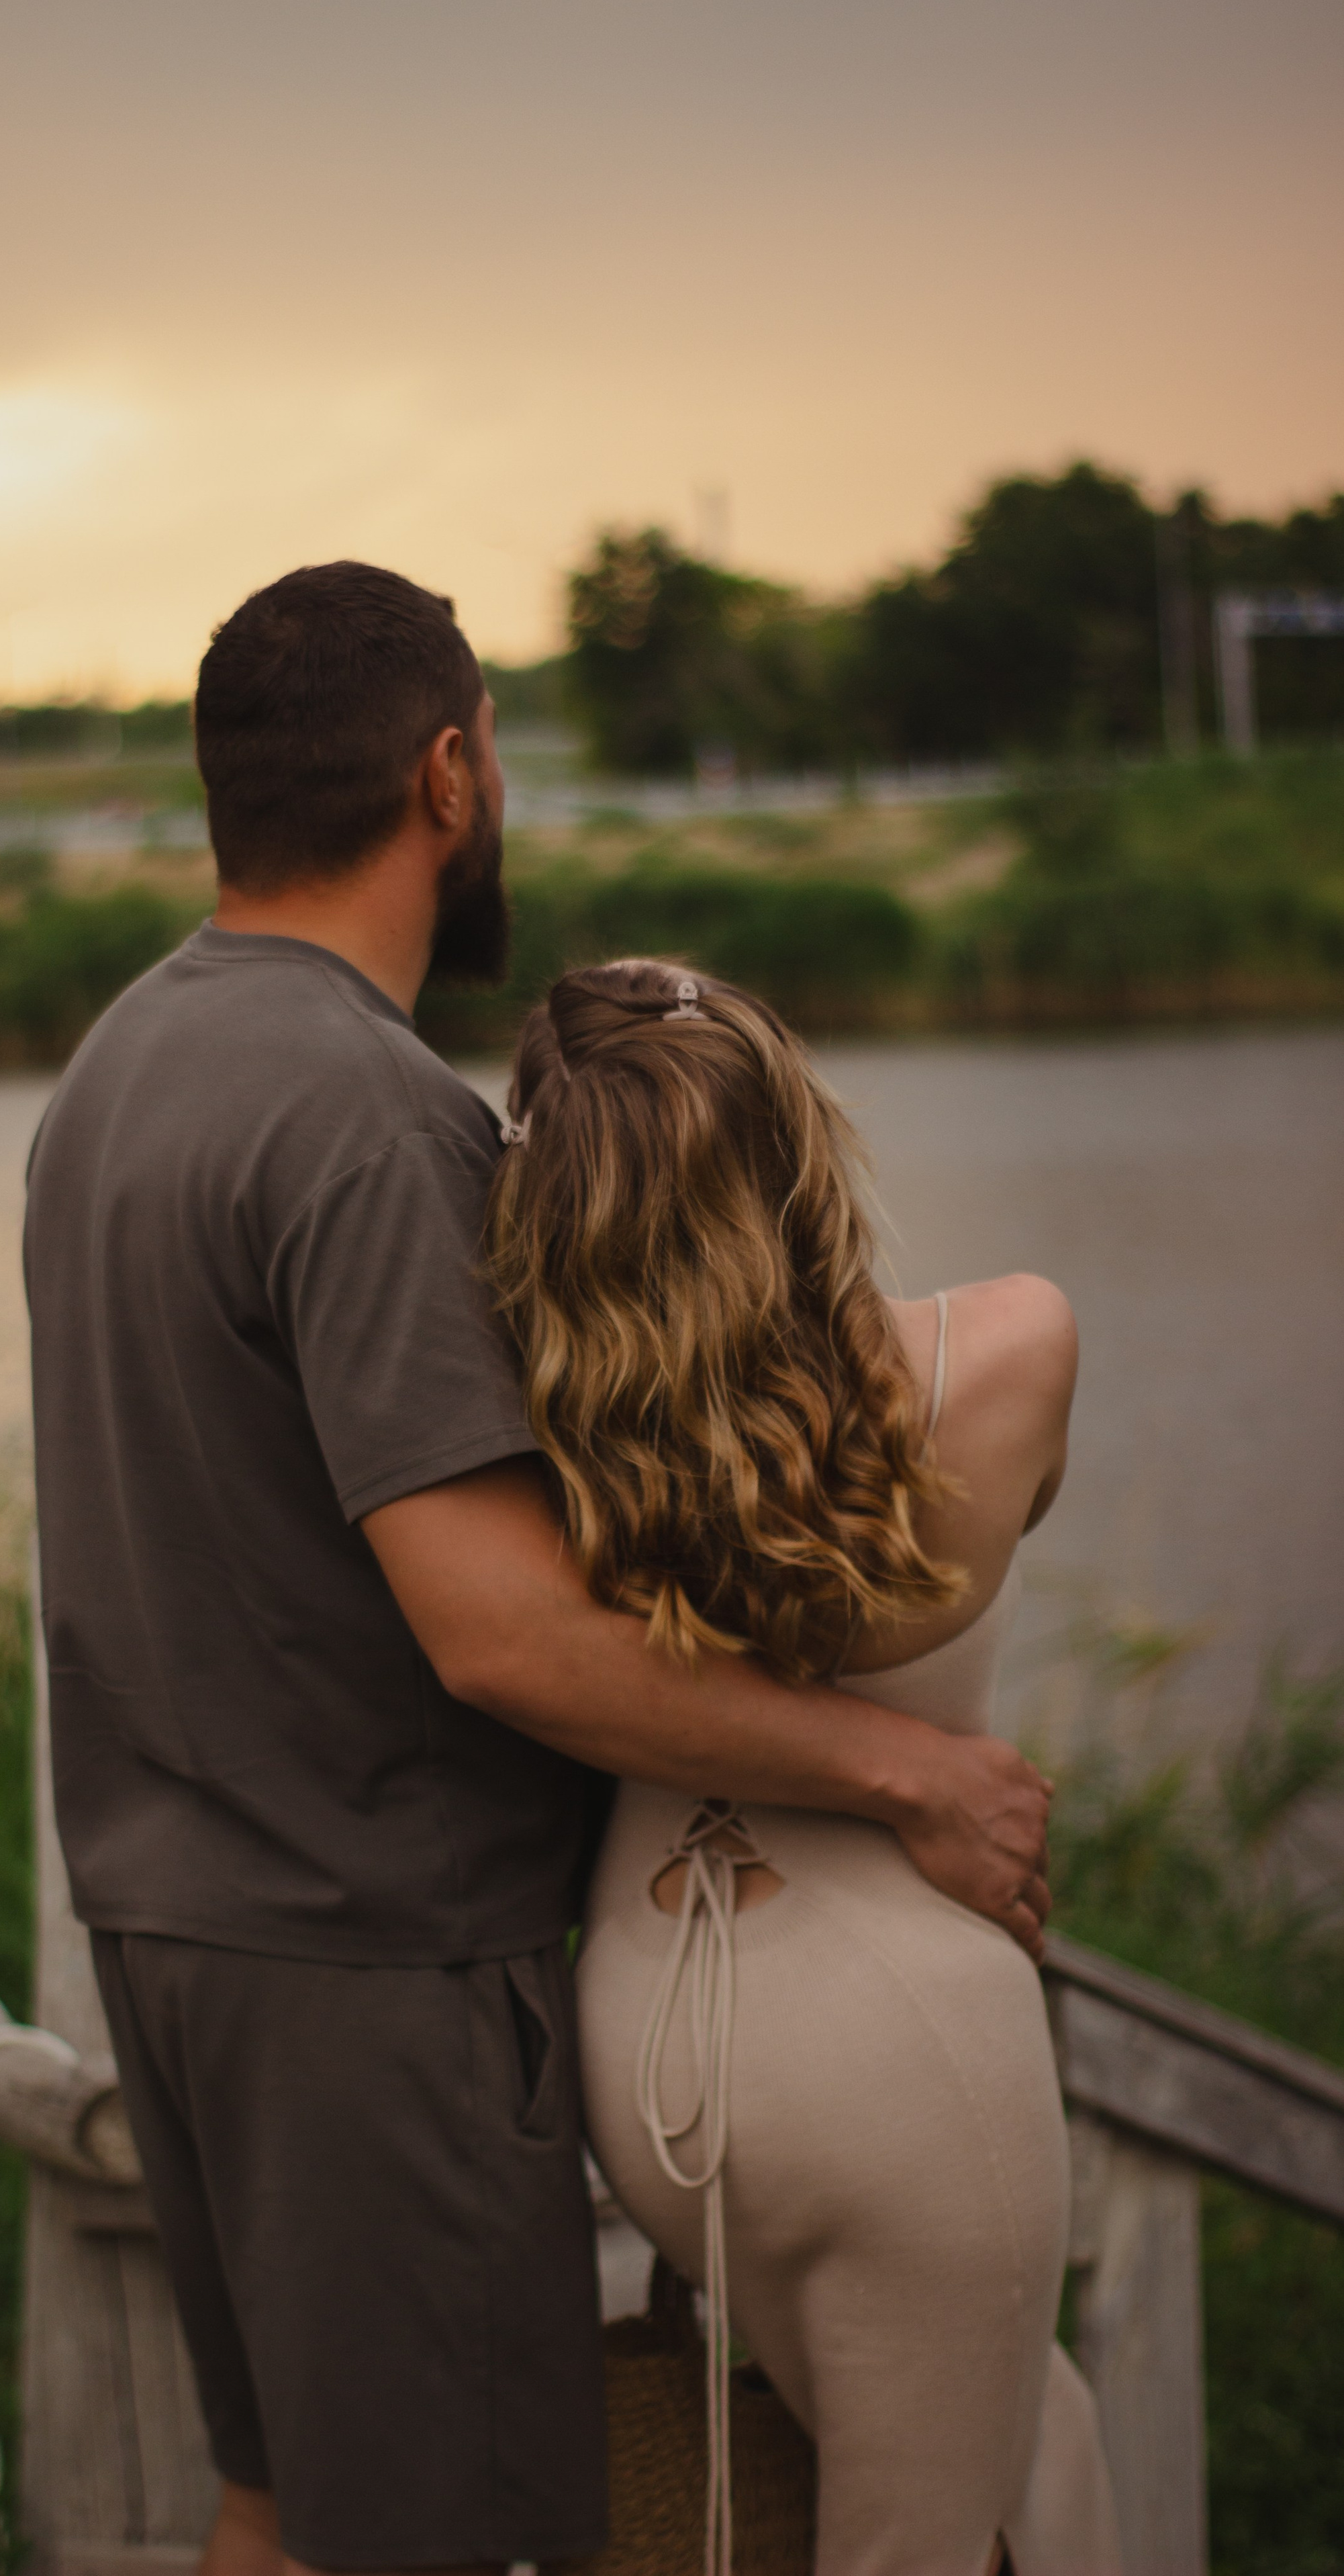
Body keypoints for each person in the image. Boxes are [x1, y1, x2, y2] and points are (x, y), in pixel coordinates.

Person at [23, 563, 1056, 2576]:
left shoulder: (112, 1074)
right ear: (448, 775)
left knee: (277, 2509)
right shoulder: (375, 1121)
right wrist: (908, 1771)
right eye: (491, 746)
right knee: (452, 2541)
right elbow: (496, 1635)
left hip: (172, 1932)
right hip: (372, 1971)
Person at [484, 958, 1121, 2576]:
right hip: (902, 2058)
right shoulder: (1003, 1355)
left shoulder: (560, 1440)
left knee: (1037, 2435)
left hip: (650, 2041)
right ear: (794, 1140)